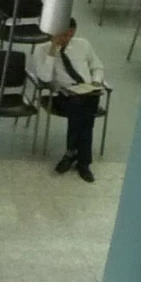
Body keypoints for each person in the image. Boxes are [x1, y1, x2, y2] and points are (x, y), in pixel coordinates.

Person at [26, 17, 106, 182]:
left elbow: (97, 66)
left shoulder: (83, 44)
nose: (67, 39)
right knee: (85, 116)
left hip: (87, 92)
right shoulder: (41, 50)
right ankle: (83, 162)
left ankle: (71, 153)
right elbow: (45, 77)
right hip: (62, 95)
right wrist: (53, 51)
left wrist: (96, 80)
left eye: (71, 35)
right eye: (64, 35)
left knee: (85, 104)